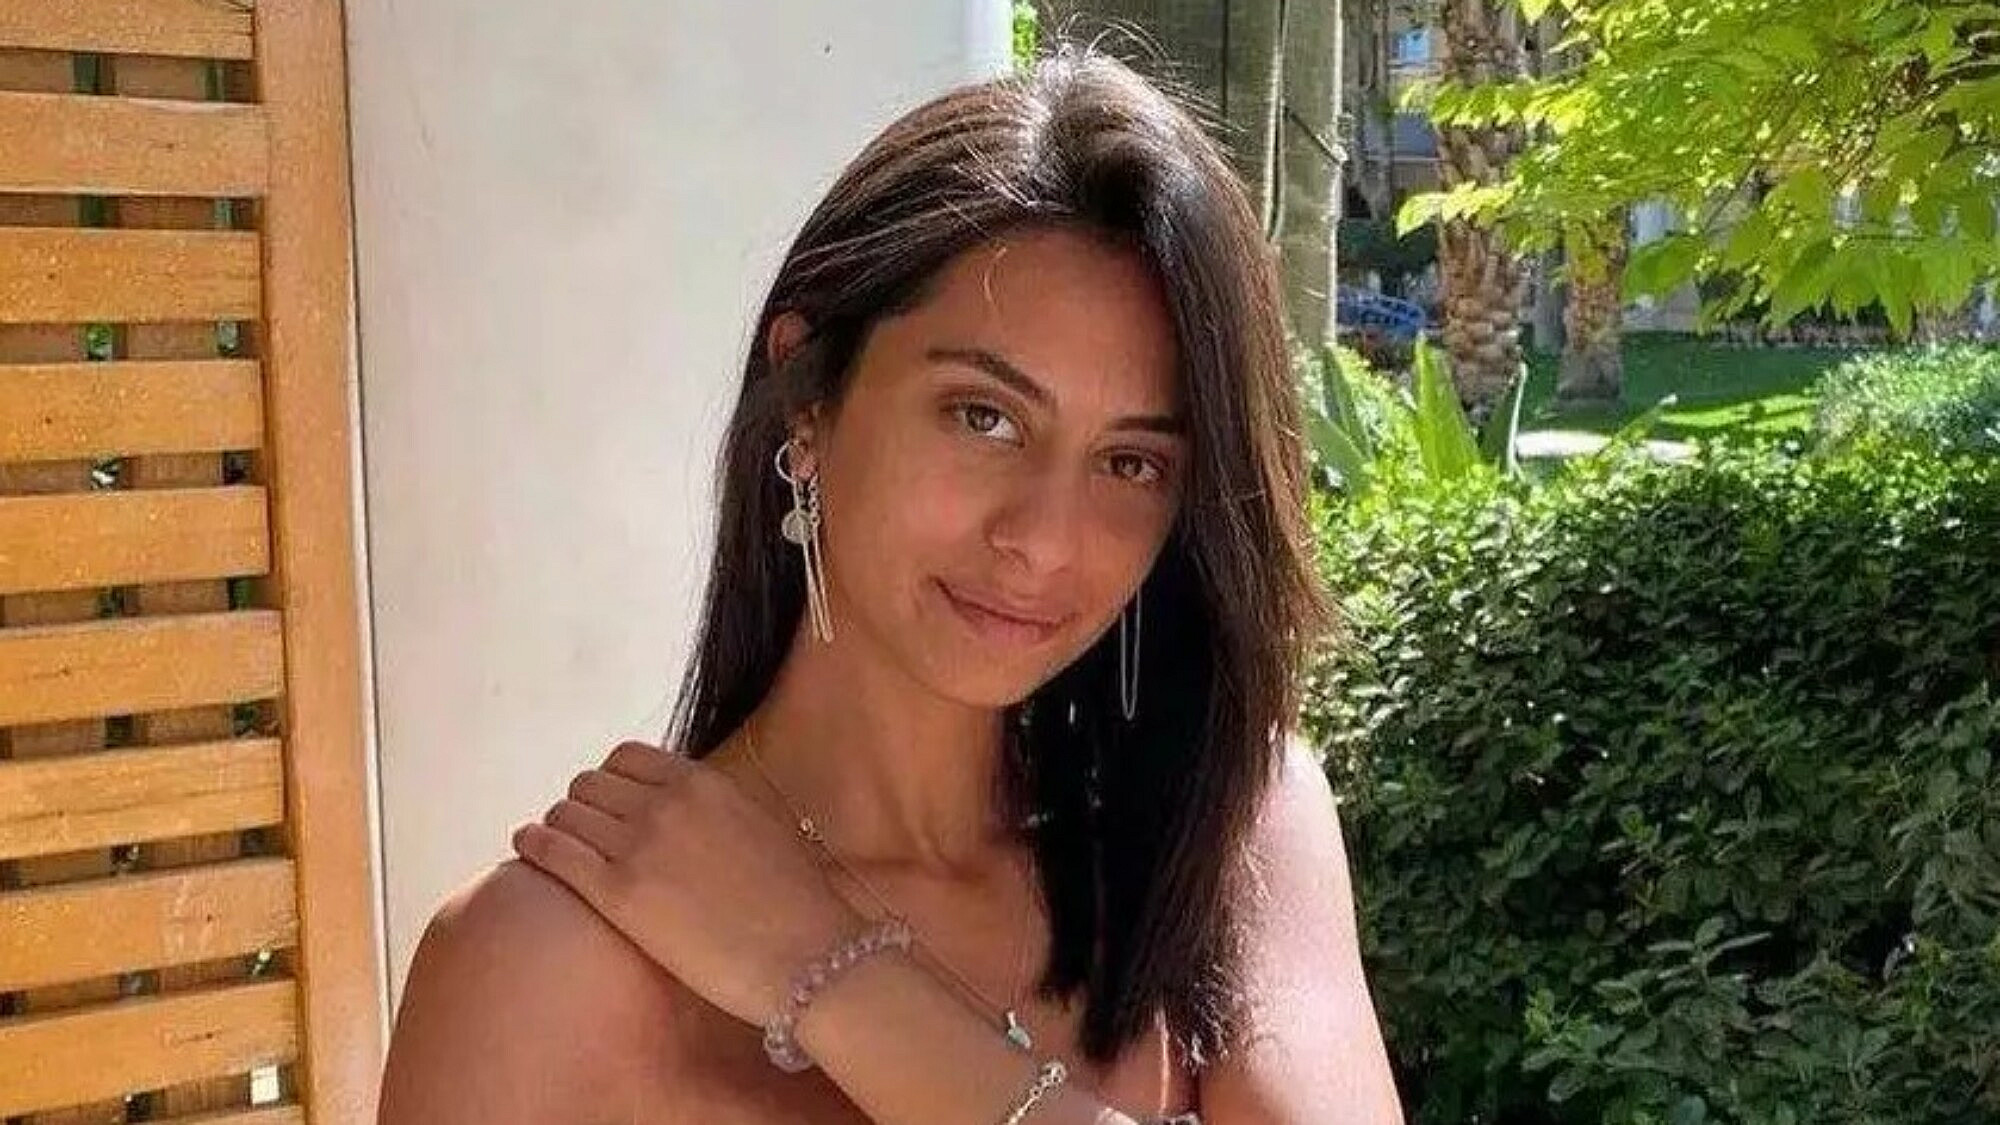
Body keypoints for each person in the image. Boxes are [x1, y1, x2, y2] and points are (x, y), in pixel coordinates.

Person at [377, 44, 1403, 1125]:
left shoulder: (1226, 839)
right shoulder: (543, 967)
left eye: (1130, 463)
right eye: (984, 416)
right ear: (807, 396)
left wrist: (829, 973)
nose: (1043, 541)